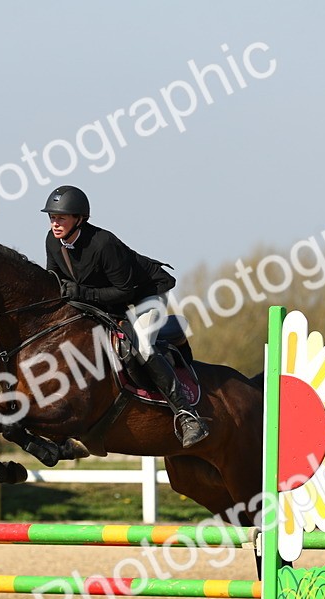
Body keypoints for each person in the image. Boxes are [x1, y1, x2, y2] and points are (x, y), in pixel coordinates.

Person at [42, 185, 209, 448]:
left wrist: (81, 292)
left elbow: (124, 291)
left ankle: (188, 415)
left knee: (141, 345)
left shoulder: (103, 243)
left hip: (145, 293)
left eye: (61, 217)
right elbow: (56, 283)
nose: (55, 223)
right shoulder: (53, 242)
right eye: (52, 217)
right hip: (105, 298)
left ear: (79, 219)